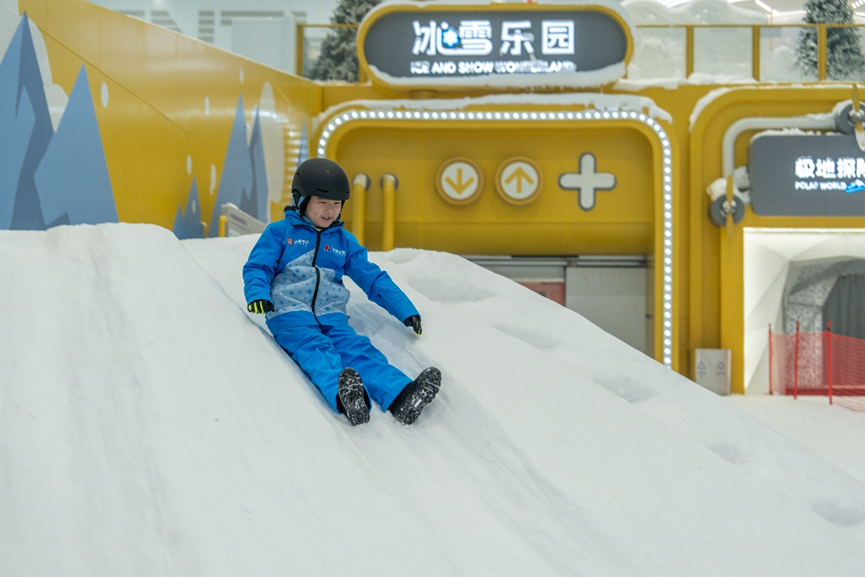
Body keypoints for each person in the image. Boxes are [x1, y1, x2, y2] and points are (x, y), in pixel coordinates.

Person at [242, 157, 441, 426]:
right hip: (289, 315)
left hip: (332, 315)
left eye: (336, 204)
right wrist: (258, 294)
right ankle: (346, 397)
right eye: (322, 203)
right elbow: (258, 266)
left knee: (358, 350)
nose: (330, 211)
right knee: (316, 350)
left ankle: (401, 396)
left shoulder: (343, 242)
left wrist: (404, 309)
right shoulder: (280, 232)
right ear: (302, 200)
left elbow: (372, 277)